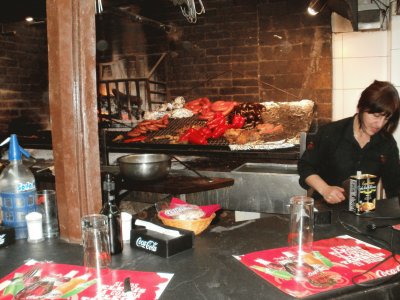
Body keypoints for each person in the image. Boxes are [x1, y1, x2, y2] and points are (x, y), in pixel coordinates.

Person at [298, 80, 400, 204]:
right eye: (376, 116)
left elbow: (395, 189)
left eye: (386, 118)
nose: (380, 124)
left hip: (363, 216)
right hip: (326, 212)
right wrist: (325, 189)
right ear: (360, 108)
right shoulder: (331, 132)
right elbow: (305, 166)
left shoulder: (386, 143)